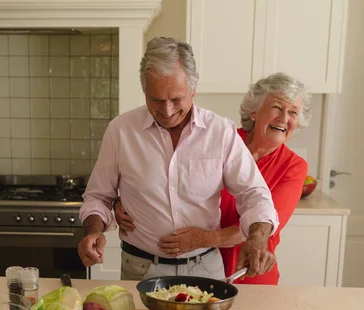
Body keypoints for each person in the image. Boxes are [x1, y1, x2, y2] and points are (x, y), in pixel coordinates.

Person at [78, 36, 280, 281]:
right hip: (141, 269)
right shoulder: (121, 131)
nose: (167, 110)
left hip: (205, 268)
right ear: (144, 91)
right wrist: (93, 231)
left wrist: (258, 239)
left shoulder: (221, 132)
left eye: (176, 99)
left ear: (193, 89)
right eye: (156, 100)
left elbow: (255, 194)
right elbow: (98, 196)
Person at [114, 72, 312, 284]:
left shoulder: (294, 167)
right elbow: (170, 183)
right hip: (200, 267)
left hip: (247, 271)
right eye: (277, 107)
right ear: (253, 111)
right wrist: (128, 202)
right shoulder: (220, 138)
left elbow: (262, 222)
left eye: (293, 112)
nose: (284, 118)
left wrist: (202, 239)